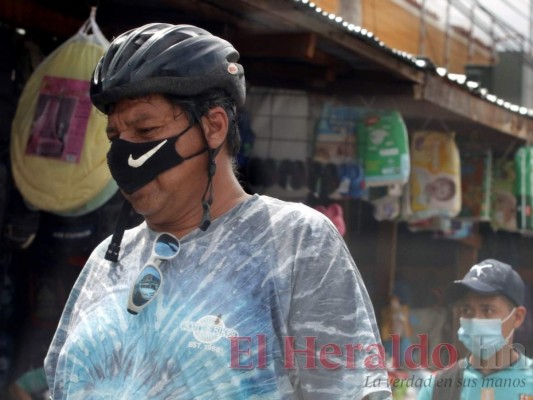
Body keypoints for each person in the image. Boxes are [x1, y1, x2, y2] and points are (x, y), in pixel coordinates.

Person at [43, 23, 391, 399]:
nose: (124, 154)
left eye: (144, 131)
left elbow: (353, 392)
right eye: (115, 137)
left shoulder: (294, 243)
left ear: (213, 126)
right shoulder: (107, 259)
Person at [417, 259, 533, 399]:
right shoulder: (438, 387)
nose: (475, 320)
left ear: (517, 317)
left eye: (488, 310)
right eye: (467, 310)